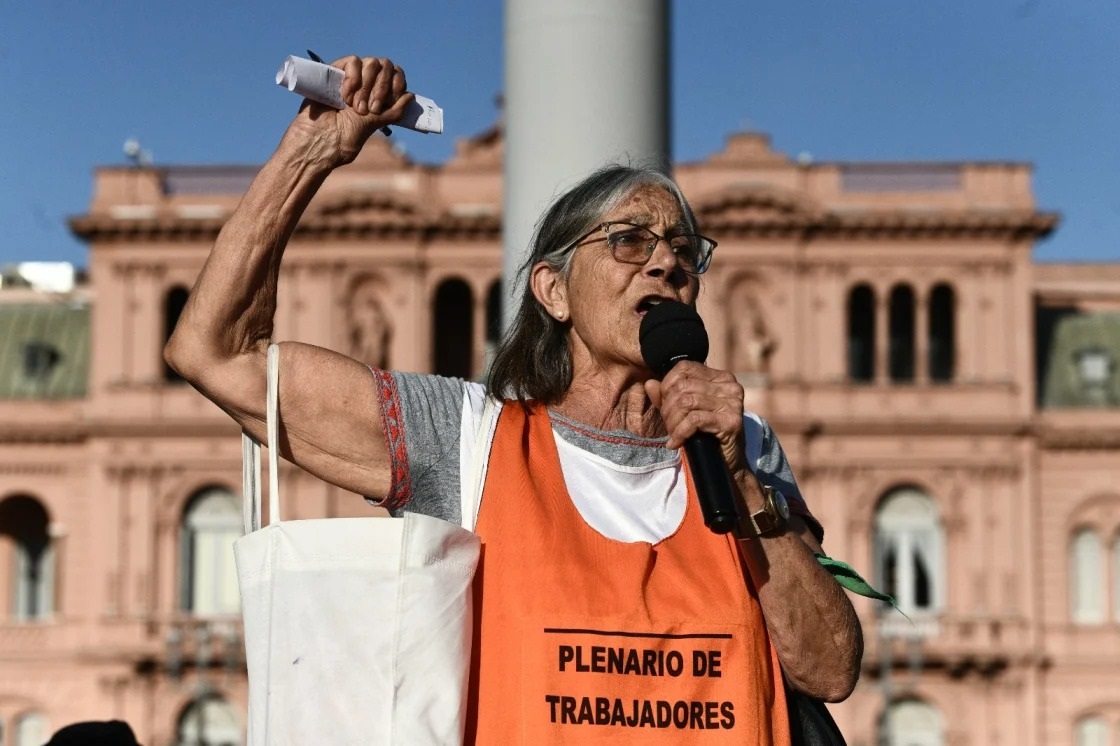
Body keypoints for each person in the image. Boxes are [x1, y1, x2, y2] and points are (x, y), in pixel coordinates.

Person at [165, 55, 862, 744]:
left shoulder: (745, 447)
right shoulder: (469, 439)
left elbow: (829, 670)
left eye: (685, 251)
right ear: (553, 291)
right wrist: (308, 153)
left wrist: (741, 481)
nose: (665, 263)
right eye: (627, 242)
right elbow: (216, 355)